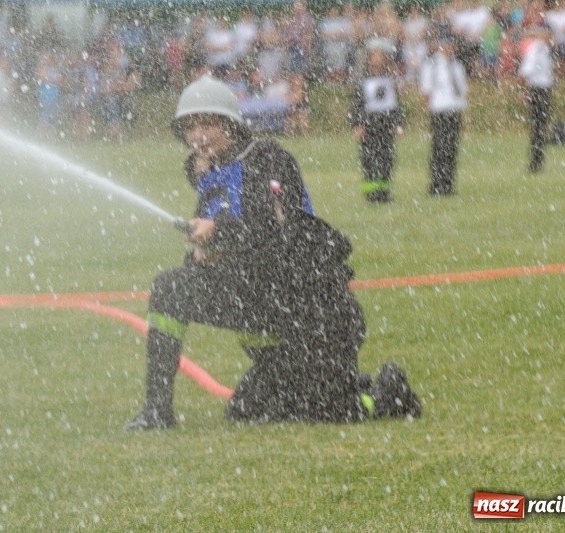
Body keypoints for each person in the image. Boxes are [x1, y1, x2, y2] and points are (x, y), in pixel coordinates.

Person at [125, 75, 421, 430]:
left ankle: (388, 393)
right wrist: (203, 256)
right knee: (173, 292)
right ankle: (157, 411)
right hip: (268, 309)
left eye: (207, 124)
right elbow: (232, 248)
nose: (198, 136)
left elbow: (271, 228)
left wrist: (218, 231)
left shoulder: (268, 159)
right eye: (190, 128)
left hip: (317, 314)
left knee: (330, 413)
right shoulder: (209, 177)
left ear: (230, 124)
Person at [349, 41, 402, 203]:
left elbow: (396, 104)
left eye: (380, 56)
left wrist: (398, 123)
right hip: (369, 125)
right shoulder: (363, 80)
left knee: (387, 159)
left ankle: (384, 192)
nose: (377, 59)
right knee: (369, 159)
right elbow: (356, 104)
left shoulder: (389, 79)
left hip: (386, 124)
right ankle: (371, 193)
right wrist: (357, 124)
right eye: (374, 56)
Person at [419, 28, 468, 196]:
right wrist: (429, 107)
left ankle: (448, 183)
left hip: (454, 109)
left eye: (451, 45)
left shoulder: (457, 65)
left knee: (451, 147)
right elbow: (426, 90)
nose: (448, 49)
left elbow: (462, 89)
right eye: (445, 45)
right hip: (439, 110)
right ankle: (436, 183)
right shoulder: (431, 65)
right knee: (439, 147)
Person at [518, 23, 555, 173]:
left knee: (541, 127)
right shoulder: (536, 49)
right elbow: (525, 72)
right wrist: (524, 91)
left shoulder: (545, 48)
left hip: (544, 90)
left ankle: (537, 160)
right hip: (538, 90)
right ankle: (535, 162)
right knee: (538, 127)